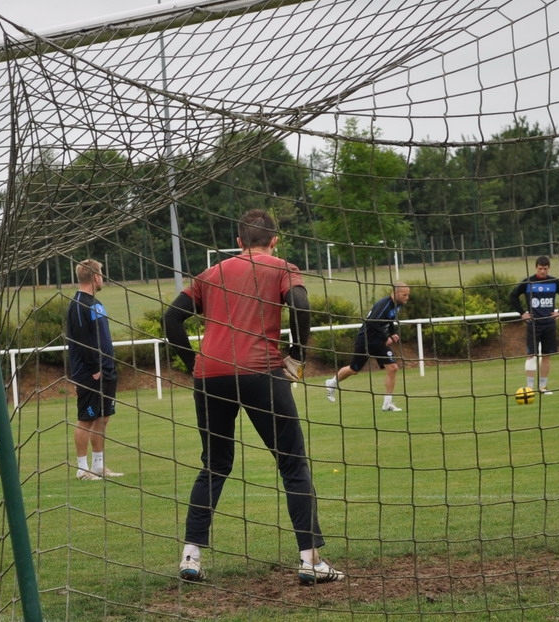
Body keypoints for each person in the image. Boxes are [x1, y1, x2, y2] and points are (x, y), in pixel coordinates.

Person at [163, 209, 344, 586]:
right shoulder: (282, 268)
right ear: (274, 240)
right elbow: (301, 305)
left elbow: (171, 320)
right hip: (261, 372)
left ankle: (190, 556)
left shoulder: (210, 273)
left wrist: (194, 364)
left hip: (211, 377)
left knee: (214, 465)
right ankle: (310, 560)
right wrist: (297, 355)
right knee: (292, 464)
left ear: (239, 241)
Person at [66, 259, 123, 481]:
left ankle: (98, 466)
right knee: (86, 419)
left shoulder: (96, 303)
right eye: (102, 274)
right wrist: (94, 369)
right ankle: (82, 469)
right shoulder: (79, 304)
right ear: (96, 277)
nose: (103, 279)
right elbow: (81, 340)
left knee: (103, 417)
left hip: (106, 370)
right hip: (91, 373)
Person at [324, 282, 411, 411]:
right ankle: (331, 383)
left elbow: (389, 320)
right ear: (396, 293)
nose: (407, 297)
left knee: (393, 368)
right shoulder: (384, 305)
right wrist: (385, 338)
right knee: (354, 370)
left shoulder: (397, 305)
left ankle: (387, 404)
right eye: (404, 295)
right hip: (366, 341)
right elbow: (371, 322)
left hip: (379, 342)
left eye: (408, 295)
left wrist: (392, 333)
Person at [508, 255, 559, 395]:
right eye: (540, 268)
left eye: (545, 268)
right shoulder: (528, 282)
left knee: (546, 356)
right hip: (533, 325)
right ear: (536, 267)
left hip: (549, 325)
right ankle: (529, 388)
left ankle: (543, 387)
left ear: (549, 268)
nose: (542, 271)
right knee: (531, 355)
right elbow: (513, 296)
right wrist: (522, 313)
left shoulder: (554, 282)